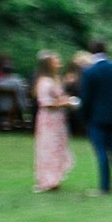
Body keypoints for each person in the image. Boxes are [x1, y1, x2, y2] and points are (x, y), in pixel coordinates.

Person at [80, 40, 112, 194]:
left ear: (90, 52)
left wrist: (84, 117)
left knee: (101, 151)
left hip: (97, 117)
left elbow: (86, 98)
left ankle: (105, 186)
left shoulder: (89, 72)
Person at [32, 51, 75, 191]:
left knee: (57, 147)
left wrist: (65, 100)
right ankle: (47, 179)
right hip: (49, 120)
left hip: (57, 119)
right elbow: (45, 103)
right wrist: (65, 103)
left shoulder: (55, 79)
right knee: (48, 147)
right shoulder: (44, 82)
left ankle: (55, 178)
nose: (59, 62)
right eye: (55, 60)